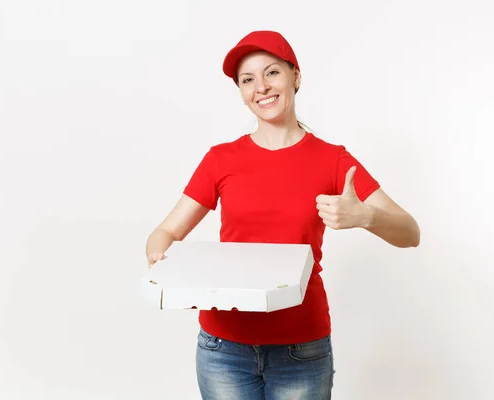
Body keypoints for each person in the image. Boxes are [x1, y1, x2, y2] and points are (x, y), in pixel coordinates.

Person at [145, 30, 420, 400]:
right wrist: (160, 260)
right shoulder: (220, 160)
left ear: (296, 77)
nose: (261, 87)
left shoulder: (333, 159)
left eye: (272, 72)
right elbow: (164, 231)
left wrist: (365, 216)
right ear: (242, 94)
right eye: (248, 80)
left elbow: (410, 233)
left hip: (301, 349)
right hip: (223, 348)